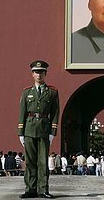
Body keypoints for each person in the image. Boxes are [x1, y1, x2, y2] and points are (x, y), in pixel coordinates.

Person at [17, 60, 60, 199]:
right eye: (36, 72)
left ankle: (43, 190)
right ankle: (30, 189)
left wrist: (53, 132)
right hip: (29, 129)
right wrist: (21, 132)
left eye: (41, 72)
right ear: (32, 74)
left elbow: (55, 112)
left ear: (45, 73)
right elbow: (22, 113)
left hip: (44, 129)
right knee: (30, 161)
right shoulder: (26, 92)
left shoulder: (52, 92)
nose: (39, 74)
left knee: (42, 162)